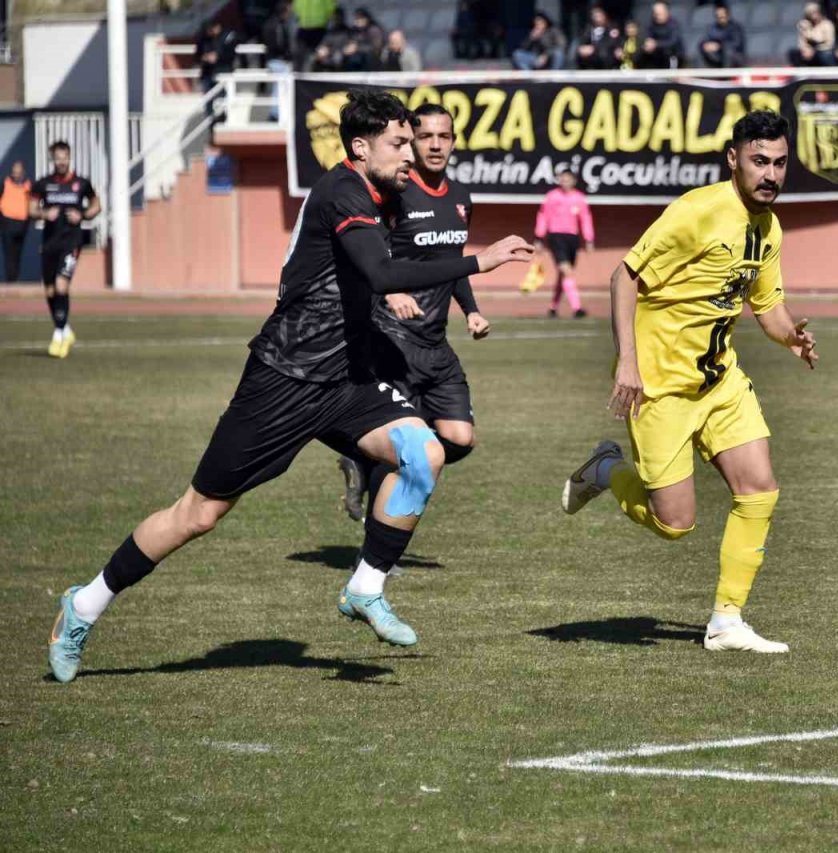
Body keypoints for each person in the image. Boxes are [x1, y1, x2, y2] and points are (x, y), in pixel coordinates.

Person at [45, 91, 534, 684]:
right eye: (400, 143)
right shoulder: (343, 191)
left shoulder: (390, 190)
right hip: (285, 378)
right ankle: (85, 603)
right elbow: (381, 271)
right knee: (198, 513)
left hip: (348, 378)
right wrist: (478, 262)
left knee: (424, 452)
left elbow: (390, 262)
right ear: (361, 147)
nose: (411, 153)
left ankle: (366, 587)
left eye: (414, 142)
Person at [561, 110, 818, 654]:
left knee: (759, 489)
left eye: (779, 163)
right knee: (675, 524)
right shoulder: (697, 212)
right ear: (733, 160)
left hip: (719, 382)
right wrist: (627, 362)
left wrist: (791, 337)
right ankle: (606, 470)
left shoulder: (769, 228)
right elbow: (624, 276)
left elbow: (767, 305)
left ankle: (726, 621)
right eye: (759, 162)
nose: (770, 174)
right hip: (660, 388)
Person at [337, 103, 489, 524]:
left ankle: (361, 460)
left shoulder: (461, 197)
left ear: (454, 142)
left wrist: (471, 310)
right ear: (411, 143)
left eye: (444, 136)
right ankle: (378, 542)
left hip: (435, 344)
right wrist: (390, 292)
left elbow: (452, 262)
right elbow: (367, 258)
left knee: (460, 437)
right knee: (407, 448)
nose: (436, 145)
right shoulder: (395, 195)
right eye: (425, 137)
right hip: (392, 341)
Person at [30, 142, 99, 358]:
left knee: (62, 285)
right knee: (50, 291)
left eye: (65, 157)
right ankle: (65, 329)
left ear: (70, 157)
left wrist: (83, 215)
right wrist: (44, 214)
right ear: (53, 159)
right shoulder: (43, 184)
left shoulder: (82, 183)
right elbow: (31, 209)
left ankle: (58, 335)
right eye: (58, 157)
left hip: (72, 242)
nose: (61, 161)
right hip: (50, 243)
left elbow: (96, 205)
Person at [535, 169, 595, 319]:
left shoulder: (579, 198)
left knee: (564, 275)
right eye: (562, 179)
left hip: (572, 238)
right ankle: (577, 308)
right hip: (556, 237)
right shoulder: (552, 196)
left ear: (573, 181)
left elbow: (585, 219)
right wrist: (539, 237)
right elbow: (543, 216)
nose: (564, 182)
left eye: (567, 179)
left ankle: (553, 308)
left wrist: (589, 239)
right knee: (567, 271)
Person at [196, 18, 239, 119]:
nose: (209, 33)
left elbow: (231, 54)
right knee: (208, 98)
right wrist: (205, 57)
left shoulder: (228, 36)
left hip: (223, 71)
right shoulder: (203, 38)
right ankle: (210, 119)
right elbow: (197, 55)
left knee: (222, 96)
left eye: (211, 30)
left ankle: (222, 117)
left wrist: (218, 57)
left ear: (217, 27)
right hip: (207, 72)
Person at [0, 160, 31, 282]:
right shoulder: (5, 183)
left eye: (18, 172)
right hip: (7, 222)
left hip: (22, 224)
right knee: (9, 253)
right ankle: (11, 280)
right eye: (14, 172)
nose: (16, 175)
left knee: (18, 253)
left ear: (23, 173)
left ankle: (15, 278)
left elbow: (32, 202)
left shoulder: (28, 186)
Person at [637, 2, 684, 69]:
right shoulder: (651, 25)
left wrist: (656, 44)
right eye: (655, 14)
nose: (657, 16)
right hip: (656, 56)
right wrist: (647, 44)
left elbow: (673, 42)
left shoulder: (674, 25)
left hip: (672, 56)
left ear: (667, 13)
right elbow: (647, 38)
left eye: (660, 14)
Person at [788, 2, 836, 66]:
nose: (814, 16)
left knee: (824, 56)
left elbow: (828, 43)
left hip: (823, 50)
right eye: (810, 14)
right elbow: (802, 42)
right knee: (793, 53)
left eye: (815, 12)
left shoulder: (827, 24)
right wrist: (805, 49)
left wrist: (813, 50)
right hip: (809, 51)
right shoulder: (806, 25)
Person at [575, 4, 621, 69]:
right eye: (595, 16)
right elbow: (583, 41)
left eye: (599, 16)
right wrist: (583, 49)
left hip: (607, 59)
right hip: (591, 61)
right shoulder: (588, 29)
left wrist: (595, 48)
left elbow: (613, 43)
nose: (597, 19)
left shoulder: (612, 29)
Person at [699, 3, 745, 68]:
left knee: (729, 53)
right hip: (716, 56)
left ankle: (726, 73)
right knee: (703, 50)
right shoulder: (712, 28)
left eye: (722, 16)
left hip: (732, 56)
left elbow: (737, 44)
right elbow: (705, 40)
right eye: (718, 17)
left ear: (728, 15)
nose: (720, 19)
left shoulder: (736, 28)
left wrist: (719, 46)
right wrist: (705, 45)